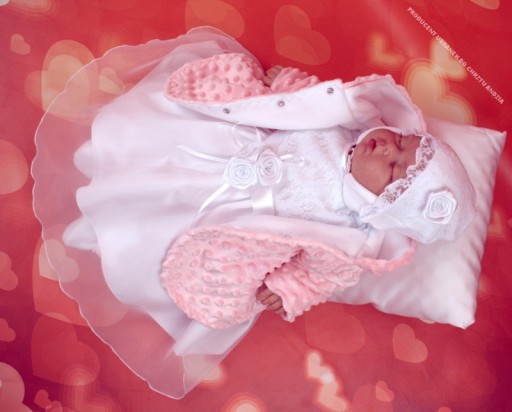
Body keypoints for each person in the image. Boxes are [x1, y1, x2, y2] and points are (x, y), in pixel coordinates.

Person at [32, 26, 475, 397]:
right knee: (149, 144)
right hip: (229, 146)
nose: (388, 149)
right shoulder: (349, 123)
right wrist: (286, 85)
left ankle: (105, 229)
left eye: (393, 169)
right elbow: (305, 104)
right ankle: (108, 159)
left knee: (153, 230)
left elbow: (315, 275)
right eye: (402, 141)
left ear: (386, 206)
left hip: (235, 218)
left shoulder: (351, 235)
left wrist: (288, 290)